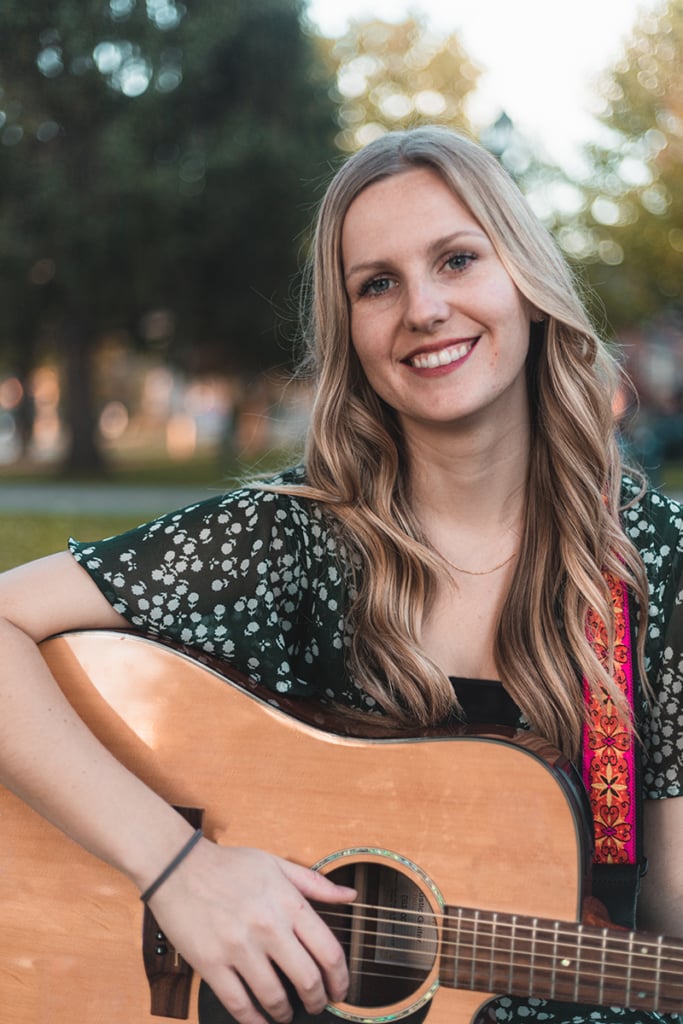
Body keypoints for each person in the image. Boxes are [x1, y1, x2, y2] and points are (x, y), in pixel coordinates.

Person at [0, 125, 682, 1024]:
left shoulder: (650, 557)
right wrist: (178, 870)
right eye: (377, 284)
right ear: (349, 327)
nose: (424, 310)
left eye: (456, 259)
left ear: (524, 279)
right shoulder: (289, 538)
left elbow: (665, 925)